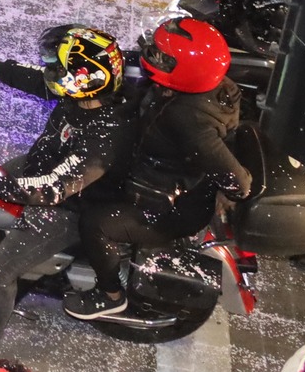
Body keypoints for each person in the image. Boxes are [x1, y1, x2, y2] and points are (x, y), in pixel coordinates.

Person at [0, 26, 132, 358]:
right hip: (38, 167)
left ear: (84, 80)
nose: (53, 74)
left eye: (60, 70)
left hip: (68, 207)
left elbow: (53, 188)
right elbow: (40, 82)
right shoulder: (83, 95)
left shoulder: (105, 138)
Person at [69, 19, 250, 321]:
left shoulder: (191, 121)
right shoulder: (212, 85)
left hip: (168, 206)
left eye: (162, 57)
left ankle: (109, 294)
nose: (152, 56)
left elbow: (238, 182)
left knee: (95, 223)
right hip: (156, 174)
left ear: (187, 71)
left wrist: (225, 192)